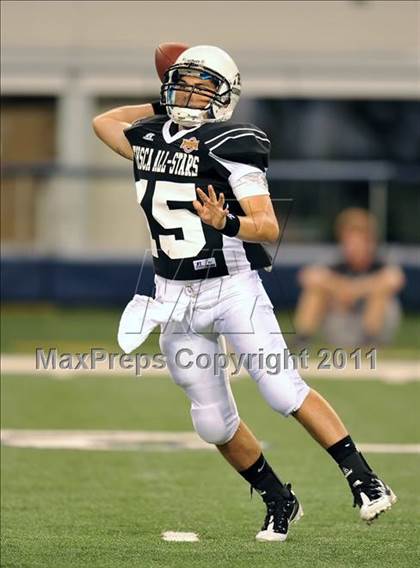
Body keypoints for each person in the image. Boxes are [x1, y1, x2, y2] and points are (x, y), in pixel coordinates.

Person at [92, 45, 396, 542]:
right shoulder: (148, 137)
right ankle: (280, 499)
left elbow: (268, 227)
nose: (188, 92)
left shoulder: (233, 141)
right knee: (212, 423)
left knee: (281, 389)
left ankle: (363, 478)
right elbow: (104, 121)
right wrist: (164, 102)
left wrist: (225, 220)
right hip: (174, 298)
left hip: (233, 288)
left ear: (225, 96)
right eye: (181, 82)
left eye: (201, 85)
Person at [294, 208, 405, 348]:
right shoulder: (335, 260)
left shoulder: (382, 260)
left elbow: (395, 279)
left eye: (359, 241)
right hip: (341, 323)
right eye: (349, 241)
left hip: (375, 327)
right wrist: (340, 288)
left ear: (369, 241)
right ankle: (302, 339)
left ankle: (370, 343)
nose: (353, 247)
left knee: (380, 292)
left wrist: (355, 290)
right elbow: (307, 276)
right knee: (315, 291)